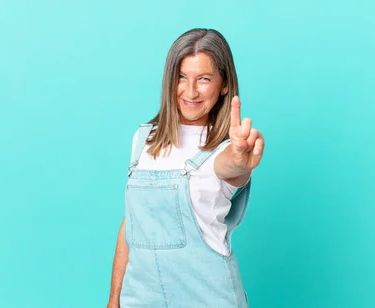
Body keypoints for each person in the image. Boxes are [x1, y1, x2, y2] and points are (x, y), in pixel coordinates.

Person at [107, 28, 264, 308]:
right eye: (182, 77)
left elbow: (231, 167)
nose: (190, 91)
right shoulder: (144, 140)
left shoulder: (224, 150)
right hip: (141, 300)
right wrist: (114, 300)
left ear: (224, 84)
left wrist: (240, 160)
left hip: (209, 299)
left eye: (204, 79)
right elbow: (130, 225)